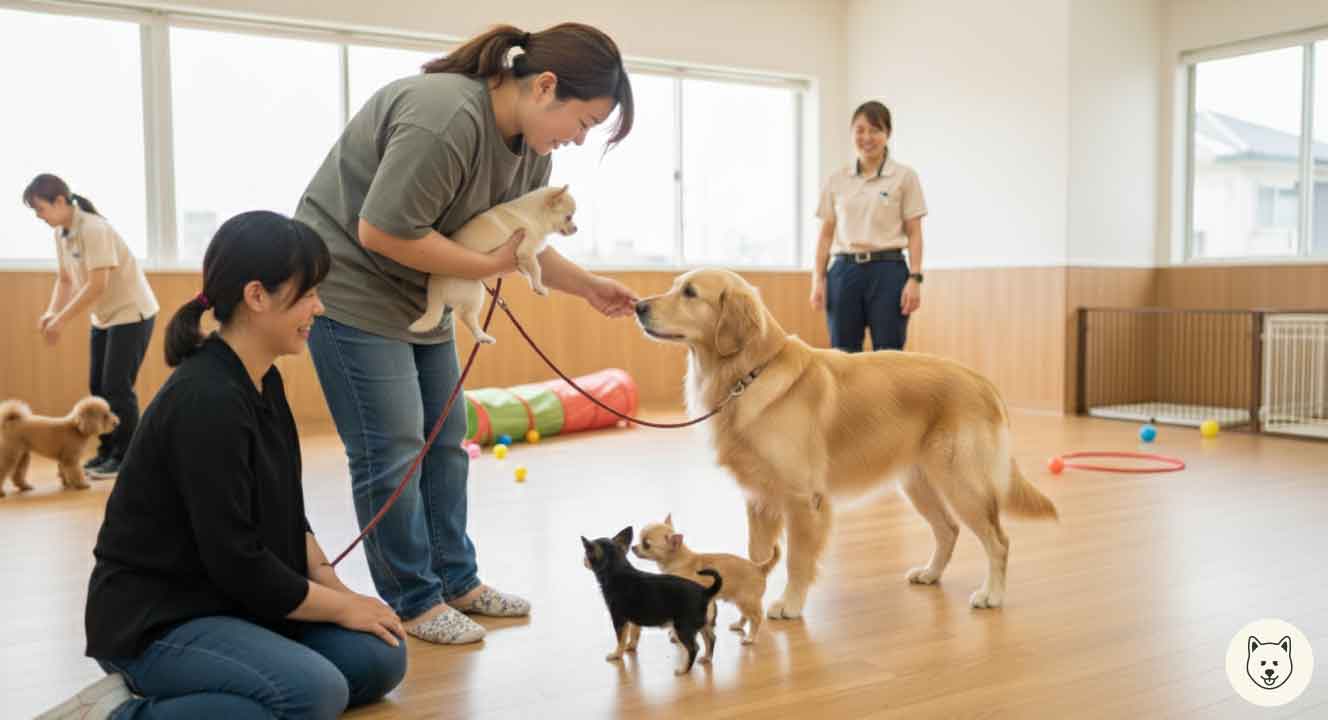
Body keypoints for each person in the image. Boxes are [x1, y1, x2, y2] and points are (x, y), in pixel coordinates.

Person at [294, 23, 638, 645]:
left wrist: (588, 286)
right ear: (546, 86)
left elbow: (519, 245)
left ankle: (457, 580)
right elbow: (380, 232)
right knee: (392, 448)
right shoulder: (444, 117)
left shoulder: (535, 151)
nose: (579, 139)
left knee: (446, 439)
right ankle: (414, 599)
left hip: (424, 289)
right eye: (584, 122)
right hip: (352, 288)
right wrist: (487, 269)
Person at [37, 212, 406, 720]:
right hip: (160, 618)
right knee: (314, 693)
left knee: (379, 658)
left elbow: (286, 510)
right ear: (257, 296)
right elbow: (240, 564)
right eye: (307, 294)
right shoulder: (205, 400)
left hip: (232, 600)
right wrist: (343, 608)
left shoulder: (262, 379)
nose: (319, 307)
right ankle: (111, 714)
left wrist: (344, 595)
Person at [24, 174, 159, 477]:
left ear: (60, 201)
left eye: (40, 209)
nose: (39, 217)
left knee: (116, 388)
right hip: (104, 317)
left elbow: (97, 285)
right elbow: (66, 279)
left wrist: (61, 320)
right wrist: (51, 312)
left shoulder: (95, 229)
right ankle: (107, 452)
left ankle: (126, 457)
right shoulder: (62, 234)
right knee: (98, 387)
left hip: (131, 313)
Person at [810, 101, 928, 352]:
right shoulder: (837, 179)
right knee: (842, 355)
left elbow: (915, 232)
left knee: (889, 355)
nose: (867, 137)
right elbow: (825, 236)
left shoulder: (904, 177)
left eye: (875, 130)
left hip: (889, 271)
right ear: (852, 133)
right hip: (843, 272)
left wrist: (915, 278)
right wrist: (817, 279)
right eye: (860, 130)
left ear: (888, 134)